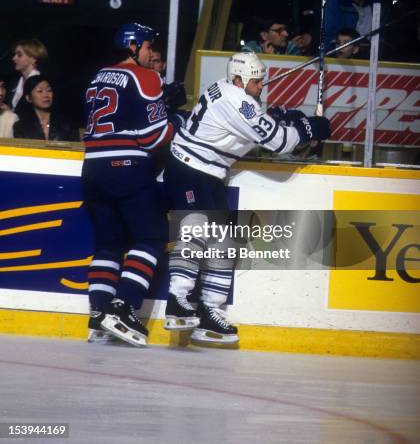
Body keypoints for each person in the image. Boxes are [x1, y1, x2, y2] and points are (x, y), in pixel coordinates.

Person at [163, 52, 330, 344]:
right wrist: (308, 128)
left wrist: (276, 117)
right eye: (255, 81)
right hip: (189, 168)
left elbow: (248, 126)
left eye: (262, 80)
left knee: (224, 241)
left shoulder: (228, 89)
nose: (260, 85)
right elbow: (278, 142)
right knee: (196, 229)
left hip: (207, 171)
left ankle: (208, 311)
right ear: (238, 80)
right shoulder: (237, 101)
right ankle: (176, 301)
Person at [82, 22, 180, 347]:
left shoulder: (97, 76)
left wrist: (162, 103)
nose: (153, 54)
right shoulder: (147, 77)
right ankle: (123, 308)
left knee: (108, 245)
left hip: (93, 169)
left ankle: (99, 316)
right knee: (151, 238)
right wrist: (174, 118)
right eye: (149, 46)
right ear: (133, 46)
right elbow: (153, 137)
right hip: (126, 166)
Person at [13, 75, 79, 141]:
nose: (46, 95)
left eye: (49, 90)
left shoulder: (67, 123)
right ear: (28, 98)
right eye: (40, 91)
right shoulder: (20, 127)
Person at [8, 38, 48, 116]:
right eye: (15, 54)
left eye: (19, 55)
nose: (14, 58)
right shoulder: (14, 82)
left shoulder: (42, 83)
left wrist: (10, 112)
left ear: (33, 59)